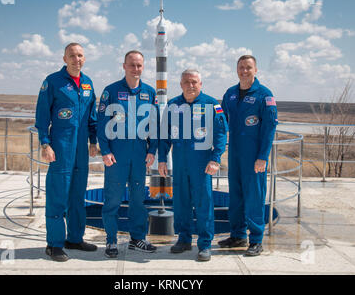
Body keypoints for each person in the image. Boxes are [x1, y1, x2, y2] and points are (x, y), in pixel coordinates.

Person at [35, 43, 98, 262]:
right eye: (72, 55)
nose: (76, 59)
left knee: (78, 197)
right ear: (64, 58)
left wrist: (93, 141)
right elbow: (42, 116)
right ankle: (54, 244)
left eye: (80, 55)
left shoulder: (88, 83)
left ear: (84, 58)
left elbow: (92, 117)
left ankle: (74, 238)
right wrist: (45, 144)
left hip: (81, 149)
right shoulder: (52, 82)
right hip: (60, 147)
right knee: (57, 195)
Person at [158, 69, 228, 262]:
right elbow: (164, 135)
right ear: (180, 84)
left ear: (201, 84)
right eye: (186, 82)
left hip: (202, 164)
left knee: (203, 203)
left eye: (194, 82)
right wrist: (162, 159)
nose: (190, 85)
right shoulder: (173, 105)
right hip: (180, 163)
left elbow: (221, 134)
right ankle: (183, 239)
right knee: (181, 202)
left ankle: (205, 244)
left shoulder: (212, 105)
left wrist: (216, 158)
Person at [97, 50, 158, 258]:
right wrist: (105, 151)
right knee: (112, 200)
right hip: (116, 157)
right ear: (124, 66)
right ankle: (111, 241)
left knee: (138, 200)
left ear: (143, 66)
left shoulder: (149, 93)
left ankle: (137, 239)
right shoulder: (111, 91)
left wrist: (152, 151)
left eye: (139, 65)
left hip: (139, 157)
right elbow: (101, 124)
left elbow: (154, 126)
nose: (135, 69)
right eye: (131, 65)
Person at [219, 55, 278, 256]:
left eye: (248, 67)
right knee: (235, 197)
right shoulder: (230, 93)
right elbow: (221, 120)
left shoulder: (264, 95)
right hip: (235, 155)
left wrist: (263, 156)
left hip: (254, 157)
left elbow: (269, 128)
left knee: (254, 197)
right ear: (237, 69)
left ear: (256, 70)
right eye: (241, 67)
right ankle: (237, 234)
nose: (244, 71)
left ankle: (255, 240)